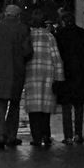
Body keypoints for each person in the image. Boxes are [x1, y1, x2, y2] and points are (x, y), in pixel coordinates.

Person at [0, 4, 33, 149]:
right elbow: (27, 51)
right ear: (17, 16)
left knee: (0, 104)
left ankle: (0, 134)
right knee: (15, 105)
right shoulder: (23, 29)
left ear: (5, 14)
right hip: (16, 72)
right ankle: (11, 135)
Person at [23, 9, 65, 146]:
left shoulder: (27, 36)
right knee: (45, 110)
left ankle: (36, 137)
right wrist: (59, 78)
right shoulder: (50, 37)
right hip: (48, 75)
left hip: (31, 75)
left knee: (34, 110)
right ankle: (46, 135)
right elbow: (56, 58)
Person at [54, 11, 84, 144]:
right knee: (79, 106)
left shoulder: (59, 35)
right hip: (80, 74)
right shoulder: (83, 33)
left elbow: (57, 54)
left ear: (63, 21)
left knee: (66, 106)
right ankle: (78, 134)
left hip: (65, 74)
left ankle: (68, 136)